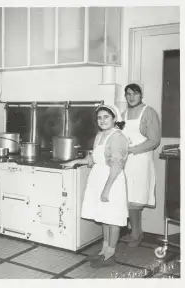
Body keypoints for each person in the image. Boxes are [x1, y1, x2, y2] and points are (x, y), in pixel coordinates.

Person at [62, 104, 129, 268]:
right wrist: (76, 161)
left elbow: (117, 166)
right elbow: (93, 159)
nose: (102, 120)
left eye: (106, 117)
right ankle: (103, 251)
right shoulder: (100, 135)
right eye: (99, 117)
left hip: (112, 180)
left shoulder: (117, 136)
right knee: (104, 217)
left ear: (114, 118)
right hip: (99, 178)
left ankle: (110, 254)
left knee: (113, 219)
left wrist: (107, 189)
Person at [121, 83, 161, 247]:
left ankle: (137, 235)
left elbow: (154, 140)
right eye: (128, 94)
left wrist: (132, 149)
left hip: (141, 160)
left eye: (135, 94)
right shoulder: (123, 114)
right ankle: (135, 233)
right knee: (129, 199)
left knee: (136, 198)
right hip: (126, 161)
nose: (131, 97)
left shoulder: (148, 112)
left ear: (141, 95)